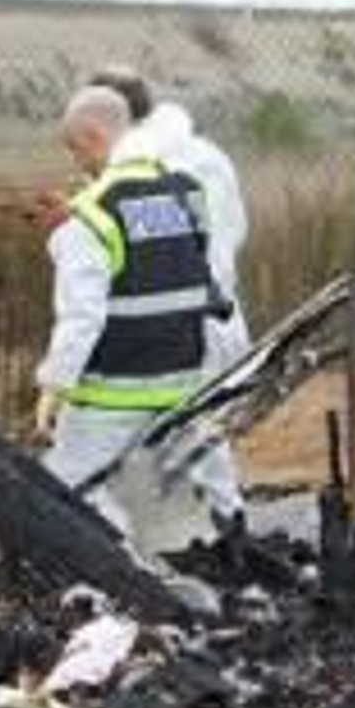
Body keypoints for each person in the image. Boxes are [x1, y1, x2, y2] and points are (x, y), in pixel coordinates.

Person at [35, 86, 240, 531]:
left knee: (62, 494)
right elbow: (186, 271)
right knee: (207, 483)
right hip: (185, 380)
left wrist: (54, 386)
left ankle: (111, 576)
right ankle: (234, 548)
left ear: (92, 136)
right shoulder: (187, 192)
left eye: (75, 149)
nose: (77, 162)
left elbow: (81, 317)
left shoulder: (91, 215)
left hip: (113, 390)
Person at [88, 66, 252, 375]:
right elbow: (235, 231)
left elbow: (144, 257)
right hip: (223, 328)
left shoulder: (138, 174)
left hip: (171, 347)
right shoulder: (209, 155)